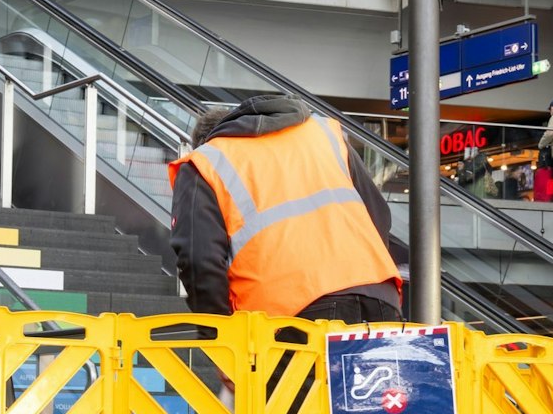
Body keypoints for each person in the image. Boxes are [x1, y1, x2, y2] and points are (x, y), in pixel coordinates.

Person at [170, 94, 401, 321]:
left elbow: (199, 261)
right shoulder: (324, 133)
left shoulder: (206, 161)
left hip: (292, 311)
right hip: (378, 295)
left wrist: (219, 331)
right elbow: (377, 215)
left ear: (205, 142)